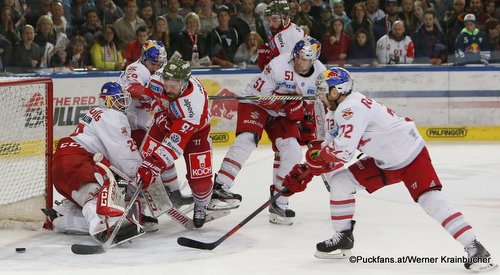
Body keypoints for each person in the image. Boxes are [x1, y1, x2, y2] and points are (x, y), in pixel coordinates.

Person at [281, 67, 498, 273]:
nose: (319, 95)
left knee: (430, 200)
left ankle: (475, 247)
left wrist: (316, 163)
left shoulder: (351, 108)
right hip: (385, 160)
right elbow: (329, 149)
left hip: (411, 156)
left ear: (337, 90)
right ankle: (343, 236)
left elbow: (343, 152)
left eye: (323, 90)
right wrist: (306, 169)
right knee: (340, 182)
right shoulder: (334, 111)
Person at [210, 36, 326, 226]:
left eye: (304, 59)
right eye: (297, 56)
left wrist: (314, 135)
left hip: (282, 113)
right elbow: (258, 95)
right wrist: (288, 103)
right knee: (247, 139)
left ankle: (279, 201)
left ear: (314, 59)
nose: (298, 61)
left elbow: (319, 108)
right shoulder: (279, 64)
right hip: (256, 104)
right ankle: (220, 187)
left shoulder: (321, 75)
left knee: (292, 150)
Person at [49, 82, 143, 242]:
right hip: (77, 160)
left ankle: (64, 216)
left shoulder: (97, 113)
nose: (123, 104)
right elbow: (123, 154)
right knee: (96, 195)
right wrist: (138, 174)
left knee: (90, 196)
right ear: (107, 101)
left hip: (63, 162)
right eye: (118, 100)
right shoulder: (113, 116)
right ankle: (102, 226)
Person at [139, 58, 213, 228]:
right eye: (167, 83)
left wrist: (154, 164)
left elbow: (174, 144)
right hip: (166, 118)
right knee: (141, 161)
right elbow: (153, 95)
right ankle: (139, 206)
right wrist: (159, 109)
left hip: (196, 132)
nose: (168, 88)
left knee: (200, 183)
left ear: (184, 83)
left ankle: (201, 206)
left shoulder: (193, 106)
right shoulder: (158, 79)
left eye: (173, 85)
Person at [257, 0, 304, 70]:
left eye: (274, 20)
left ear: (285, 19)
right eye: (269, 21)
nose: (270, 24)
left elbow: (288, 70)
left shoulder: (290, 37)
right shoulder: (281, 29)